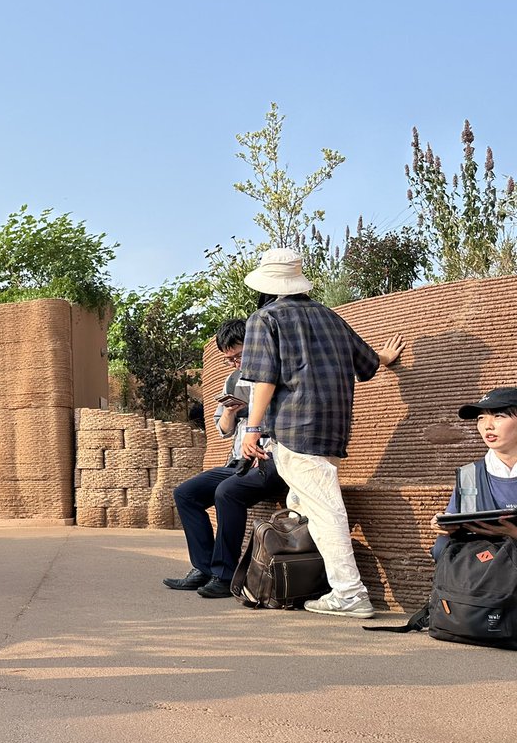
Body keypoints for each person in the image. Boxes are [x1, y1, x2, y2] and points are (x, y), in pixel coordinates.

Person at [238, 248, 405, 619]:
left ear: (267, 285)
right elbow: (368, 364)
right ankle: (304, 584)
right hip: (333, 429)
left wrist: (252, 429)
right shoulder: (331, 317)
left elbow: (263, 380)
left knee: (326, 510)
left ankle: (349, 593)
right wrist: (386, 358)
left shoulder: (264, 319)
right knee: (303, 506)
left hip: (294, 430)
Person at [165, 319, 289, 598]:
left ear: (255, 346)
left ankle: (225, 575)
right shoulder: (233, 380)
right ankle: (204, 568)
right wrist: (233, 410)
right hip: (238, 463)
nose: (234, 363)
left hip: (269, 459)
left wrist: (256, 413)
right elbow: (223, 429)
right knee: (185, 493)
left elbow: (288, 418)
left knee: (226, 492)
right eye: (229, 359)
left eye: (238, 355)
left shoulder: (276, 374)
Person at [430, 387, 517, 545]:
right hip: (482, 564)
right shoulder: (469, 475)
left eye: (498, 416)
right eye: (481, 418)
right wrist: (444, 525)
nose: (487, 426)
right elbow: (453, 521)